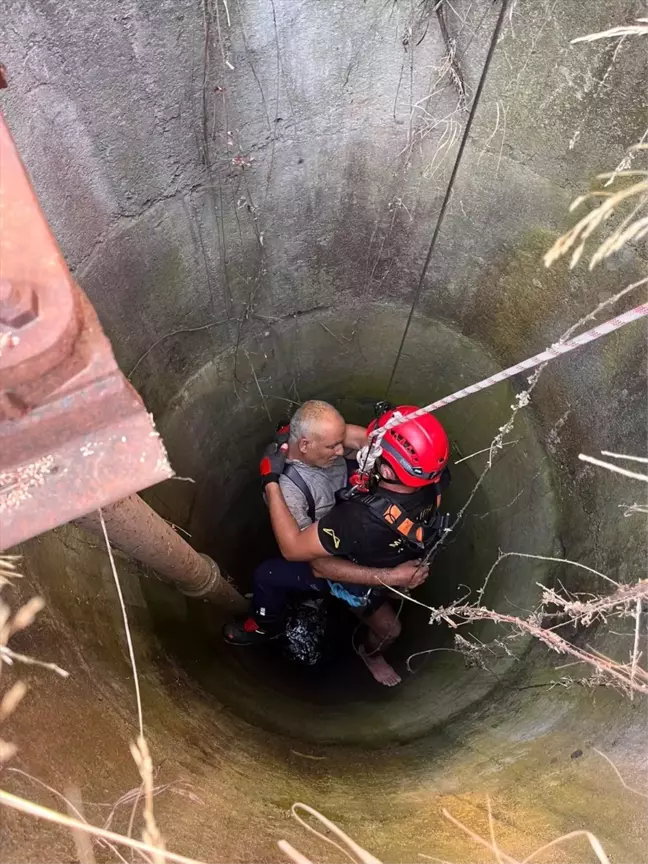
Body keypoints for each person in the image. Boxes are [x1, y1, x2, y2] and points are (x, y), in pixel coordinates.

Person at [224, 401, 429, 684]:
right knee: (266, 576)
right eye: (333, 446)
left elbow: (366, 440)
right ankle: (264, 626)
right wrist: (390, 577)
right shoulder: (290, 491)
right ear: (305, 444)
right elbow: (312, 560)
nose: (342, 450)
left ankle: (373, 635)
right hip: (330, 554)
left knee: (397, 596)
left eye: (340, 442)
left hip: (358, 531)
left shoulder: (326, 444)